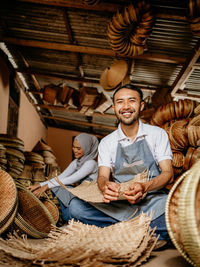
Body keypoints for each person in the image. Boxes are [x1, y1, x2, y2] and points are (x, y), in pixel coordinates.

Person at [60, 84, 174, 247]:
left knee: (176, 215)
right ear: (114, 108)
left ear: (141, 105)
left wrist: (145, 187)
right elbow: (103, 176)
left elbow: (168, 173)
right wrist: (106, 186)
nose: (126, 106)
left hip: (153, 200)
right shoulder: (107, 142)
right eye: (120, 102)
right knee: (75, 208)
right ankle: (143, 233)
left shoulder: (157, 134)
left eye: (132, 101)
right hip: (120, 203)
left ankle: (118, 231)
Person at [28, 133, 99, 222]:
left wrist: (46, 187)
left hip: (89, 199)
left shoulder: (91, 163)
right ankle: (70, 217)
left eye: (78, 148)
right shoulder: (76, 162)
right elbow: (61, 177)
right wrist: (39, 185)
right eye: (73, 147)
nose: (75, 150)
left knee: (75, 209)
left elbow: (72, 179)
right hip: (80, 194)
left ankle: (78, 215)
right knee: (58, 186)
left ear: (87, 149)